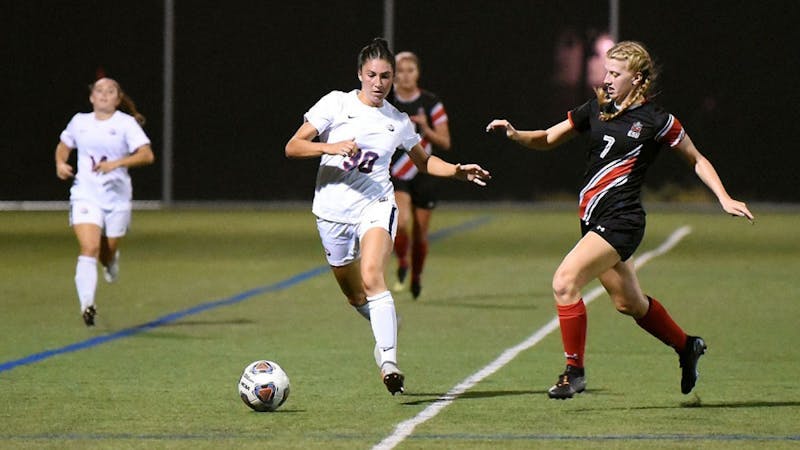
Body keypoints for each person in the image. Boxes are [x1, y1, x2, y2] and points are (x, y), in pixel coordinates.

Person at [486, 41, 753, 399]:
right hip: (593, 220)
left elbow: (696, 159)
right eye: (606, 71)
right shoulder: (596, 108)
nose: (606, 79)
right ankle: (687, 345)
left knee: (564, 281)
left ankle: (573, 372)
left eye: (615, 73)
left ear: (638, 78)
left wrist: (723, 197)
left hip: (622, 220)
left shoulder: (657, 121)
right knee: (629, 303)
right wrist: (516, 134)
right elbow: (549, 137)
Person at [285, 38, 490, 395]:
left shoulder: (397, 121)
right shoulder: (336, 103)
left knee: (372, 274)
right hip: (332, 213)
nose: (379, 83)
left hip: (375, 205)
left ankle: (389, 361)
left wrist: (457, 170)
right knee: (355, 296)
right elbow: (293, 146)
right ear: (359, 74)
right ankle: (386, 321)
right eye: (372, 75)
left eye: (386, 76)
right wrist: (328, 146)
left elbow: (425, 162)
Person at [55, 77, 155, 327]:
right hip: (85, 195)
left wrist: (116, 163)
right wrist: (60, 162)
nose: (104, 94)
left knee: (106, 253)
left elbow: (147, 155)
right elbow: (64, 145)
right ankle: (87, 304)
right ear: (91, 97)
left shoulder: (126, 124)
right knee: (89, 248)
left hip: (117, 198)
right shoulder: (80, 121)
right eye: (99, 90)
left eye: (110, 91)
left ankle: (111, 262)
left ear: (118, 98)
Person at [388, 51, 452, 299]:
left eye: (410, 70)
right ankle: (403, 261)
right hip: (397, 172)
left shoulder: (431, 103)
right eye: (400, 71)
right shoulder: (387, 102)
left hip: (425, 171)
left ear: (418, 73)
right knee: (401, 223)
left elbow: (445, 141)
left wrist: (425, 127)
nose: (405, 76)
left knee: (420, 234)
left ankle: (416, 276)